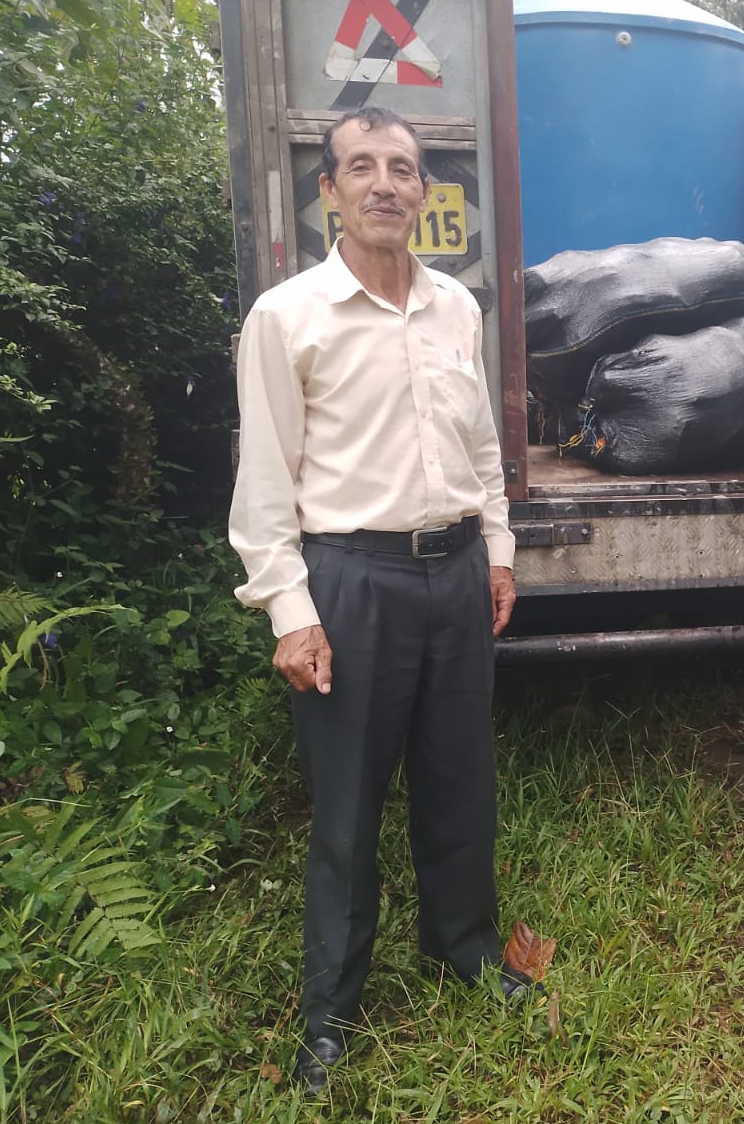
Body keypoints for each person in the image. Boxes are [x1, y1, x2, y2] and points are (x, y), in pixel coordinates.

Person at [228, 106, 532, 1096]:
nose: (385, 185)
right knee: (347, 806)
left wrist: (496, 549)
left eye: (402, 168)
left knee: (459, 779)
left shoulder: (456, 309)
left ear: (425, 191)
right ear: (330, 191)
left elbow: (480, 444)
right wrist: (291, 611)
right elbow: (265, 482)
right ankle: (331, 1013)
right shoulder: (288, 319)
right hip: (350, 580)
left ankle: (463, 948)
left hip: (455, 572)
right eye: (361, 167)